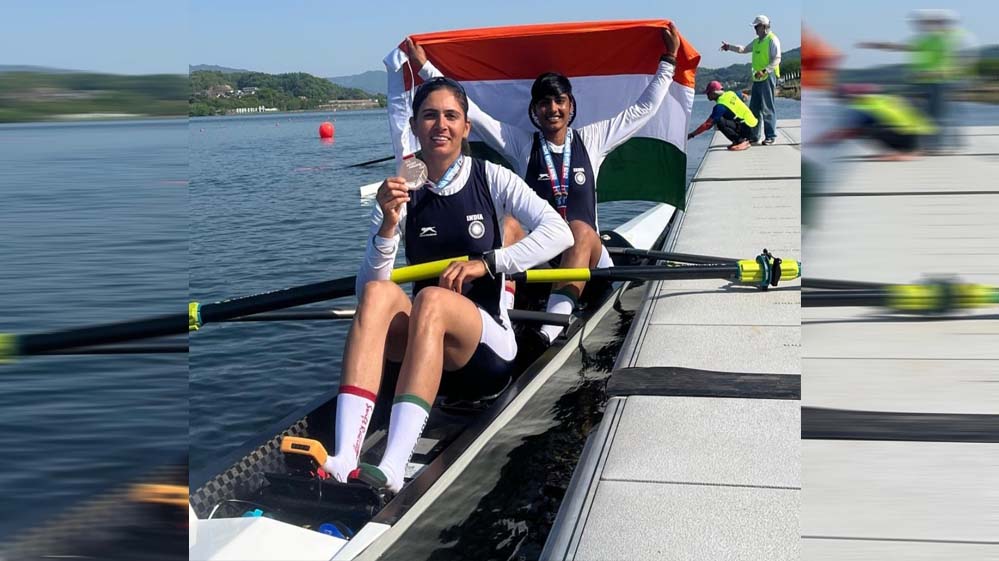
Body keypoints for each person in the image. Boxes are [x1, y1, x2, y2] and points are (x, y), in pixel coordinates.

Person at [325, 78, 572, 493]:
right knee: (379, 293)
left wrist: (488, 263)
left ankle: (393, 466)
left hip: (485, 354)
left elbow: (559, 232)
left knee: (431, 300)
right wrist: (387, 227)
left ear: (465, 128)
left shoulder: (492, 177)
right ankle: (346, 455)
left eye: (451, 116)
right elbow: (367, 294)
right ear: (415, 127)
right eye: (430, 116)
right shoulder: (400, 189)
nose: (441, 124)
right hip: (426, 345)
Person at [404, 22, 680, 346]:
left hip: (590, 259)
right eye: (544, 103)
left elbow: (642, 110)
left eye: (559, 101)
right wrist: (425, 67)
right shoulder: (522, 144)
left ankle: (547, 334)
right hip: (544, 259)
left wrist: (669, 60)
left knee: (579, 230)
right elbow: (472, 113)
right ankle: (502, 315)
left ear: (570, 106)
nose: (553, 109)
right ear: (535, 110)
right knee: (508, 224)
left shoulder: (593, 139)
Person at [856, 9, 973, 151]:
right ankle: (931, 144)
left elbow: (958, 63)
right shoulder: (928, 39)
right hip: (925, 83)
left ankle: (937, 146)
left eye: (924, 22)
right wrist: (875, 45)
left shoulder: (950, 39)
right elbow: (902, 47)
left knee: (936, 116)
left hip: (941, 83)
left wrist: (934, 74)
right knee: (923, 115)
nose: (920, 25)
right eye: (920, 23)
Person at [814, 84, 936, 161]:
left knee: (863, 128)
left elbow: (847, 132)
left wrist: (820, 143)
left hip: (903, 136)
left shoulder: (860, 106)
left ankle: (899, 152)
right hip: (917, 135)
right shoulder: (881, 99)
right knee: (871, 123)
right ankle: (910, 150)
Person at [721, 15, 782, 145]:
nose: (755, 29)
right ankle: (754, 135)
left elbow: (777, 59)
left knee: (767, 107)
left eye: (757, 27)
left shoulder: (772, 40)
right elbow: (743, 49)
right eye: (755, 27)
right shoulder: (757, 42)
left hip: (768, 76)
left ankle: (770, 136)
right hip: (757, 78)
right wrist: (729, 47)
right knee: (754, 108)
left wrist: (765, 71)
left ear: (764, 27)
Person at [687, 80, 758, 150]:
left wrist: (692, 134)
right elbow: (744, 95)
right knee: (723, 116)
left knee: (718, 121)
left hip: (748, 131)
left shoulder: (720, 106)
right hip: (754, 127)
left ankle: (741, 141)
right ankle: (740, 140)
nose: (707, 95)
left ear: (714, 93)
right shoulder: (731, 93)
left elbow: (707, 125)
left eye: (708, 93)